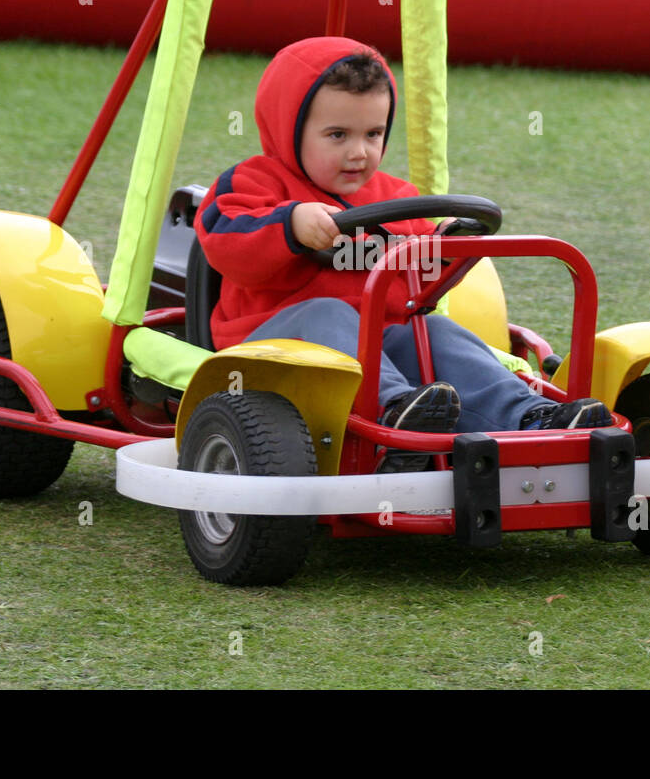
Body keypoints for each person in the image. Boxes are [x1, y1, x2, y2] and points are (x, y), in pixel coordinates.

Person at [193, 36, 612, 471]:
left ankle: (531, 418)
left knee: (435, 332)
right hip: (269, 344)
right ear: (289, 128)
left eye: (373, 134)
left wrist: (447, 248)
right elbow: (223, 240)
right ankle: (397, 413)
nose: (359, 152)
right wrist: (290, 224)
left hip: (380, 342)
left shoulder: (397, 197)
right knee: (328, 312)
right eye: (338, 135)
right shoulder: (253, 184)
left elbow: (423, 285)